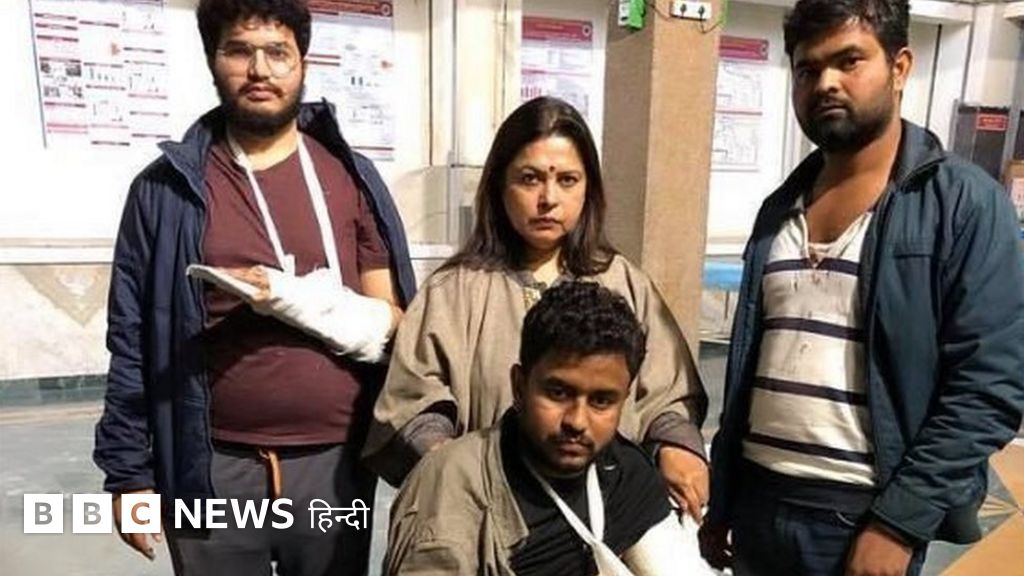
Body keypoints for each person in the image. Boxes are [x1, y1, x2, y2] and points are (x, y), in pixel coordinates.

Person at [699, 1, 1024, 575]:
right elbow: (750, 372)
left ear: (900, 68)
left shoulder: (962, 204)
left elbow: (989, 385)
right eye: (807, 68)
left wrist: (899, 523)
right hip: (758, 502)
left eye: (849, 61)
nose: (825, 82)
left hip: (861, 517)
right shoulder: (779, 210)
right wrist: (724, 499)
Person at [92, 1, 415, 574]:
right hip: (209, 466)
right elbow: (131, 340)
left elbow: (391, 321)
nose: (260, 69)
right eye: (239, 51)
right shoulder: (163, 192)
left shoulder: (352, 178)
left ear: (303, 62)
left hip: (335, 466)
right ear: (212, 60)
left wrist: (305, 302)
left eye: (277, 52)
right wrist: (127, 476)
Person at [363, 96, 710, 521]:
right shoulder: (453, 291)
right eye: (529, 179)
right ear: (500, 186)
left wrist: (676, 445)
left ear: (589, 189)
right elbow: (412, 398)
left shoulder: (625, 284)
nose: (548, 198)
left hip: (606, 513)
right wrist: (448, 462)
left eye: (567, 180)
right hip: (488, 512)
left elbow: (667, 392)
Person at [385, 281, 696, 575]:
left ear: (624, 399)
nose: (577, 421)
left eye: (601, 401)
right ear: (519, 387)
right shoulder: (450, 491)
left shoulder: (624, 473)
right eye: (558, 393)